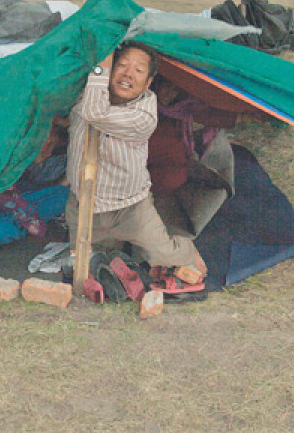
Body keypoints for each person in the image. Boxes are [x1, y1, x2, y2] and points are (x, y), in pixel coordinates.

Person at [64, 41, 207, 288]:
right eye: (121, 65)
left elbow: (94, 113)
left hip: (130, 209)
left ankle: (185, 250)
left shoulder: (144, 113)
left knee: (166, 258)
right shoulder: (88, 92)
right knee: (89, 268)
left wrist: (102, 67)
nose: (128, 74)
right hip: (85, 207)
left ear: (149, 82)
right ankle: (113, 248)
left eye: (139, 70)